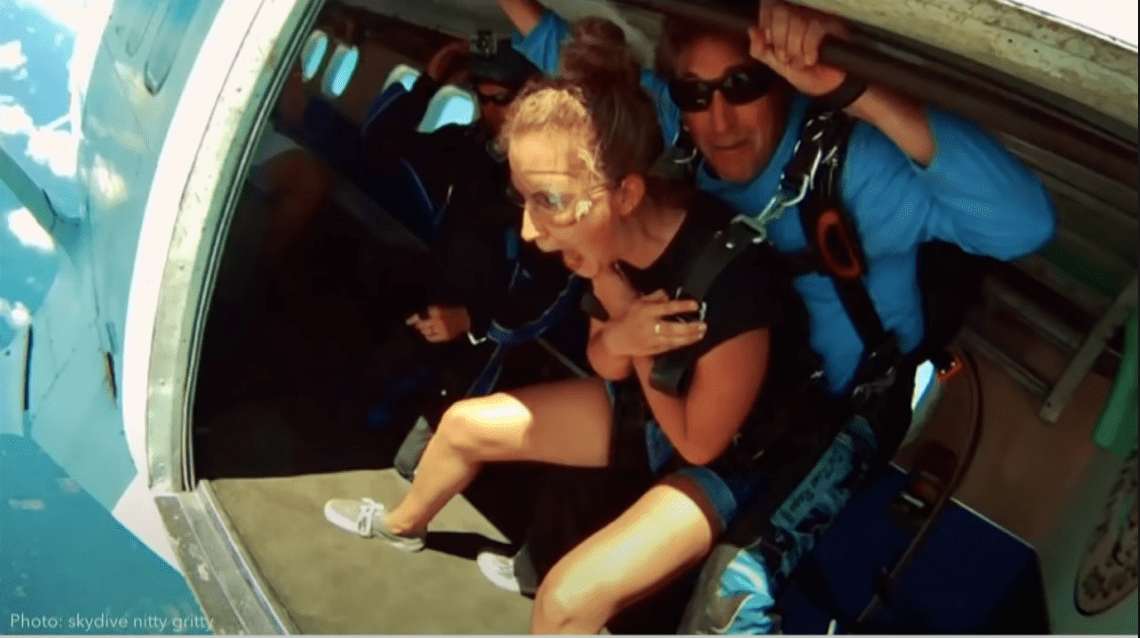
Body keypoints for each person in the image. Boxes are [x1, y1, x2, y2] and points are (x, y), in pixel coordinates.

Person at [482, 0, 1057, 627]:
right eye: (696, 92)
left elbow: (1024, 224)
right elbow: (570, 65)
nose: (719, 117)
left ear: (781, 80)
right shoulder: (682, 125)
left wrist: (857, 87)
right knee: (578, 488)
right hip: (723, 387)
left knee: (730, 595)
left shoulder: (855, 170)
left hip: (832, 414)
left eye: (743, 84)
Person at [322, 18, 835, 634]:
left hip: (741, 455)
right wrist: (622, 334)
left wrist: (639, 347)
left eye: (552, 202)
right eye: (526, 199)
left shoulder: (737, 284)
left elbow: (700, 442)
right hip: (657, 406)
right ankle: (402, 525)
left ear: (626, 193)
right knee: (461, 426)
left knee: (568, 602)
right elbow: (603, 359)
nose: (533, 231)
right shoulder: (605, 248)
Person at [338, 36, 586, 433]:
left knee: (427, 451)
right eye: (481, 98)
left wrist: (473, 320)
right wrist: (428, 84)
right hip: (436, 311)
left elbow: (556, 289)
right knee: (361, 391)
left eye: (502, 99)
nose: (490, 111)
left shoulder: (557, 180)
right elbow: (377, 146)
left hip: (492, 343)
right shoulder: (467, 150)